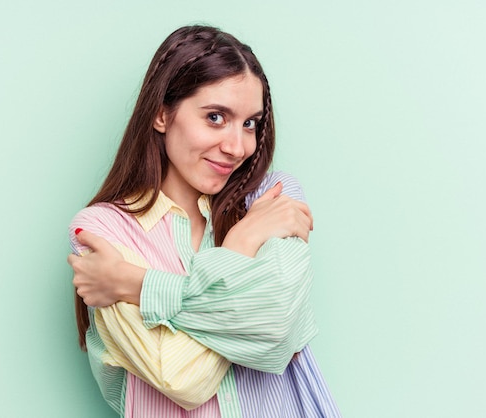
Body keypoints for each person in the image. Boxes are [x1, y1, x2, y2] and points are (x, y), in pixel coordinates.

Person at [67, 25, 342, 417]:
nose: (238, 147)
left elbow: (277, 330)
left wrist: (137, 283)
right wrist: (241, 245)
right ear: (162, 113)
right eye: (216, 117)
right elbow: (180, 378)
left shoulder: (274, 198)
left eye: (250, 123)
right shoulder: (103, 231)